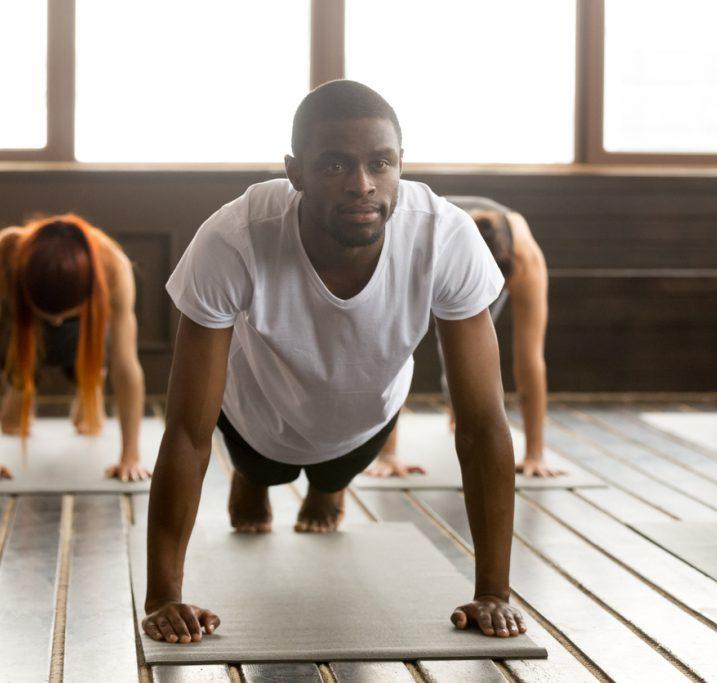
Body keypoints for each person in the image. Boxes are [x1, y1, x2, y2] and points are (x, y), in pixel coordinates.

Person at [141, 80, 525, 645]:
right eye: (336, 166)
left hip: (365, 416)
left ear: (401, 165)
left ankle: (327, 484)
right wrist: (163, 597)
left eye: (380, 163)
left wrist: (494, 591)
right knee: (263, 468)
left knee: (334, 470)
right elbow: (187, 432)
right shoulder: (233, 238)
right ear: (294, 172)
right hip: (254, 419)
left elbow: (482, 424)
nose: (362, 186)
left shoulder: (445, 235)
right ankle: (253, 479)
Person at [366, 197, 555, 478]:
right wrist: (388, 455)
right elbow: (391, 349)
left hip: (492, 254)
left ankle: (458, 412)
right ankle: (400, 441)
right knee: (419, 339)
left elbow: (530, 360)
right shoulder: (421, 243)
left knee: (472, 345)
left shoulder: (524, 260)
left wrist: (534, 455)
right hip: (431, 250)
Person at [0, 214, 149, 483]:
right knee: (11, 426)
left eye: (64, 315)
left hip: (86, 330)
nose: (57, 322)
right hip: (23, 327)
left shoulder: (112, 264)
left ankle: (92, 381)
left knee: (89, 426)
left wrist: (130, 457)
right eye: (50, 316)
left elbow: (126, 364)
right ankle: (22, 380)